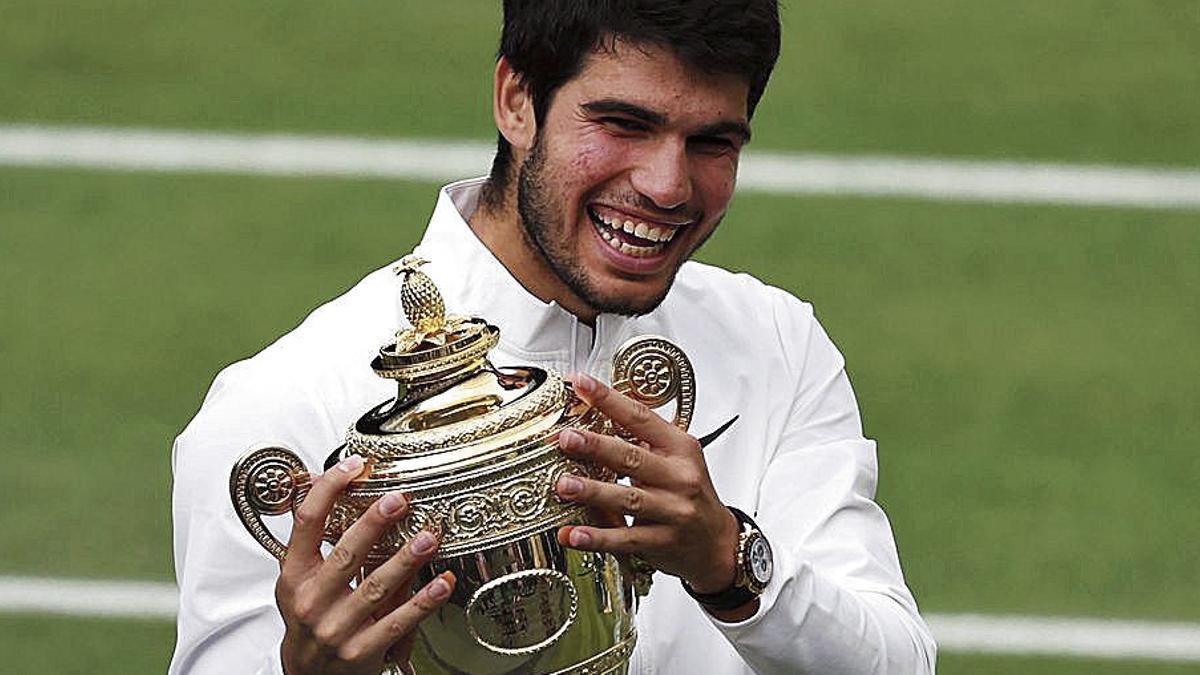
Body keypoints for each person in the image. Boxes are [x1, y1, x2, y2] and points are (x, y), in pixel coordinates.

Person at [170, 1, 937, 673]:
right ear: (515, 101)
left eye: (712, 142)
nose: (667, 186)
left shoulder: (776, 342)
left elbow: (897, 662)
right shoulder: (285, 405)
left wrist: (730, 563)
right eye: (623, 124)